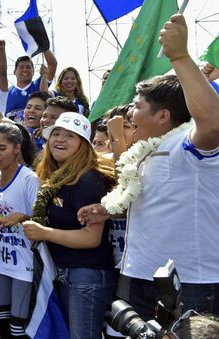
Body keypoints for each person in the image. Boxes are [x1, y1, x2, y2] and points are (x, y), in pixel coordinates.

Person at [78, 15, 219, 320]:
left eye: (138, 106)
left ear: (163, 116)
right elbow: (155, 202)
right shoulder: (143, 150)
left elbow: (214, 122)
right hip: (139, 274)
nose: (130, 112)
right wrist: (108, 209)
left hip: (189, 280)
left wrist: (180, 57)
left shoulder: (189, 143)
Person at [22, 112, 117, 339]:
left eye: (70, 136)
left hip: (87, 277)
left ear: (83, 145)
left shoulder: (88, 179)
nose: (60, 139)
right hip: (66, 273)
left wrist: (44, 233)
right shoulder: (56, 176)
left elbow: (90, 238)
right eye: (56, 133)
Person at [0, 123, 39, 339]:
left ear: (17, 148)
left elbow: (45, 218)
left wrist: (23, 217)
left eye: (2, 148)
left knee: (19, 327)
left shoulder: (29, 179)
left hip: (24, 262)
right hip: (0, 259)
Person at [5, 51, 57, 121]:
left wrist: (45, 49)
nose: (25, 70)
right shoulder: (7, 92)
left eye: (28, 67)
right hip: (13, 131)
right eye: (21, 67)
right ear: (14, 72)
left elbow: (52, 65)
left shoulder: (40, 83)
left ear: (33, 71)